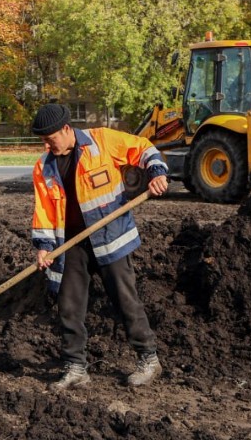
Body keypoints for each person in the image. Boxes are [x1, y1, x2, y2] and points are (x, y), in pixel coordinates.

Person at [29, 103, 168, 392]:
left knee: (125, 300)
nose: (46, 145)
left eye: (49, 138)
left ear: (66, 130)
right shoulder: (44, 167)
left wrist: (156, 172)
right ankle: (75, 368)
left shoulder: (102, 141)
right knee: (69, 306)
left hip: (110, 237)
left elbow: (143, 148)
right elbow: (43, 209)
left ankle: (148, 359)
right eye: (42, 140)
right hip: (70, 245)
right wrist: (43, 246)